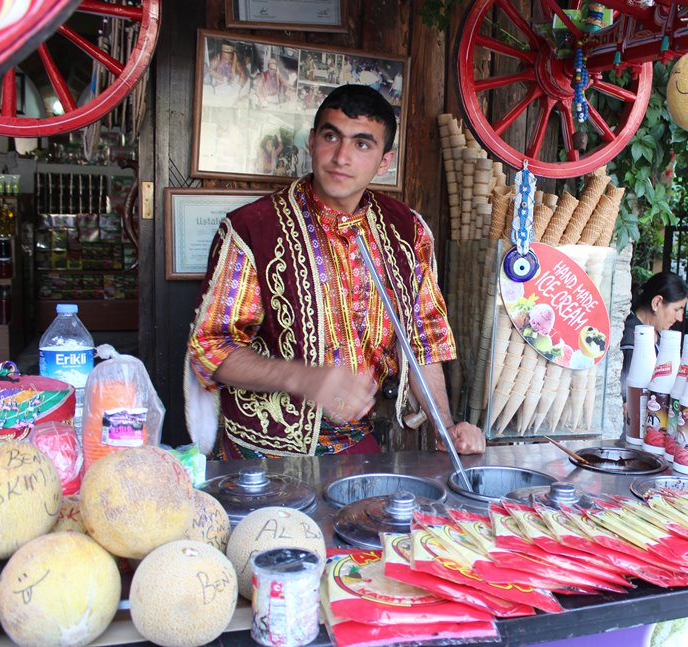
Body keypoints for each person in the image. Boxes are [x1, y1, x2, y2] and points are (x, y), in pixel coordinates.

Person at [186, 84, 485, 459]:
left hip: (357, 445)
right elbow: (210, 349)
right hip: (262, 453)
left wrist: (445, 426)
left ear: (385, 160)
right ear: (312, 142)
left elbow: (423, 340)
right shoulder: (253, 228)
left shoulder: (407, 230)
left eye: (362, 144)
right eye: (332, 136)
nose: (342, 157)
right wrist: (305, 377)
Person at [619, 271, 688, 397]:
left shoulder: (661, 335)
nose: (680, 318)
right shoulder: (631, 339)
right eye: (677, 309)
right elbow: (628, 396)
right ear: (657, 302)